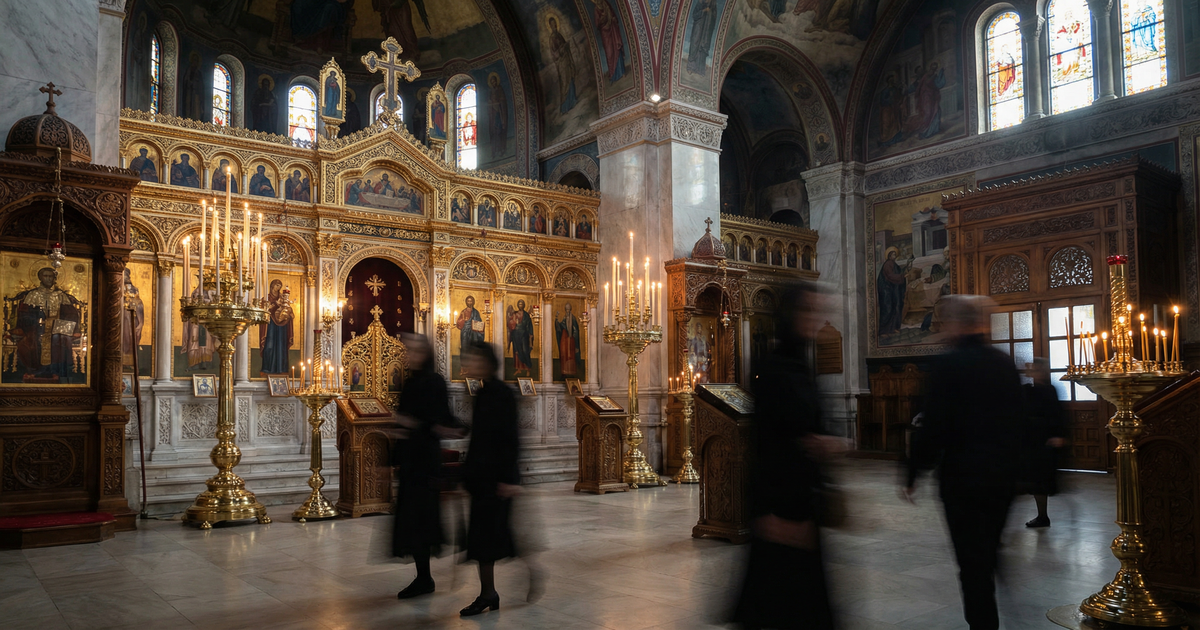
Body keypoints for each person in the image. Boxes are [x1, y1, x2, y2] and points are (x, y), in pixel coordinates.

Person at [903, 295, 1025, 630]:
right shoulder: (1003, 362)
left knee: (971, 562)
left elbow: (933, 425)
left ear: (956, 324)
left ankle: (983, 623)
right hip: (1002, 476)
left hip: (962, 479)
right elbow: (1020, 422)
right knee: (986, 548)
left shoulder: (948, 364)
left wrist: (915, 471)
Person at [732, 282, 839, 630]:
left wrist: (828, 444)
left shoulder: (800, 365)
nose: (815, 320)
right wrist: (767, 513)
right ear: (791, 315)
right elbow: (765, 443)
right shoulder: (774, 367)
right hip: (780, 512)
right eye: (808, 311)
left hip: (803, 505)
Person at [459, 340, 521, 617]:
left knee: (488, 540)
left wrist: (508, 479)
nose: (468, 364)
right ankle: (489, 592)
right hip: (483, 479)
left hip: (495, 480)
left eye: (472, 359)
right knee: (484, 539)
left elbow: (509, 439)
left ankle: (489, 593)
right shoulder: (484, 392)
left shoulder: (500, 394)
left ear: (485, 362)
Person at [392, 334, 456, 600]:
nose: (410, 355)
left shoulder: (435, 381)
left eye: (415, 351)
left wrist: (414, 424)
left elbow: (439, 418)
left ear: (426, 354)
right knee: (411, 521)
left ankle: (424, 578)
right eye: (408, 351)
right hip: (410, 462)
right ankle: (423, 576)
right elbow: (401, 422)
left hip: (426, 461)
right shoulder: (409, 382)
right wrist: (392, 460)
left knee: (423, 521)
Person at [1023, 358, 1067, 528]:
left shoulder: (1049, 390)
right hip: (1032, 441)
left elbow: (1057, 414)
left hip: (1043, 442)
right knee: (1036, 480)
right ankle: (1042, 515)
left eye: (1036, 369)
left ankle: (1042, 516)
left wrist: (1058, 435)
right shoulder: (1030, 390)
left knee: (1040, 481)